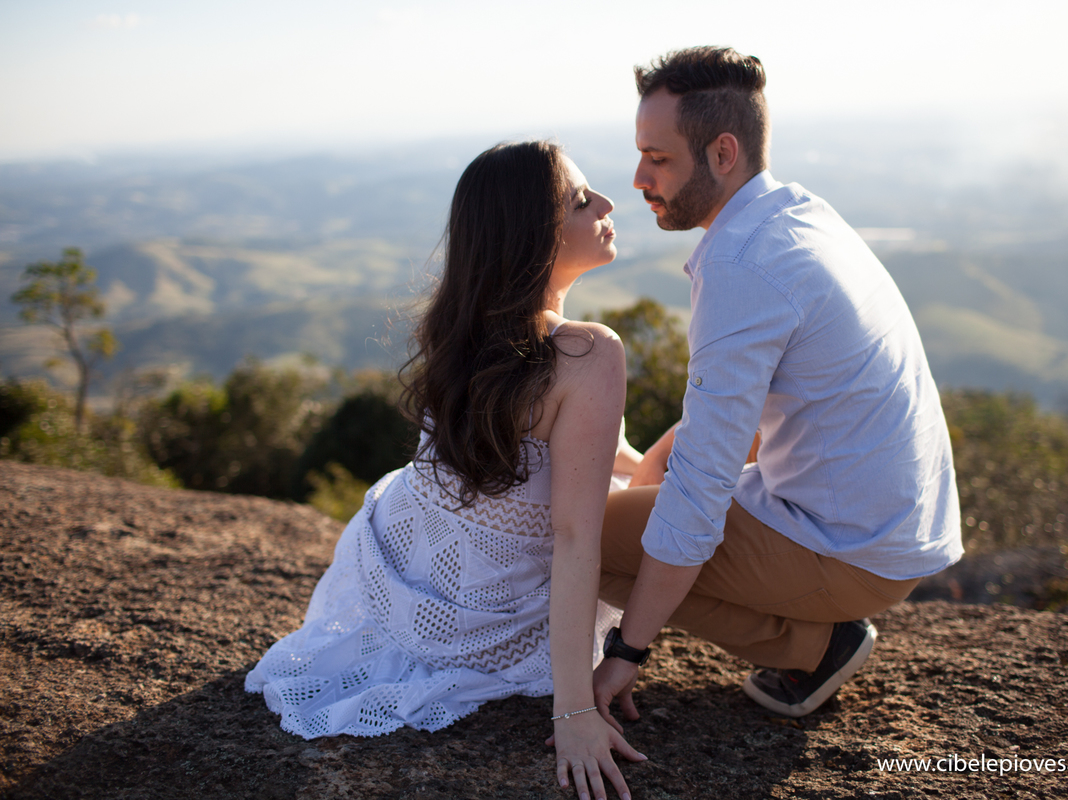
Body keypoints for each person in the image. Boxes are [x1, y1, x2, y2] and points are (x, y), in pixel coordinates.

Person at [246, 140, 646, 800]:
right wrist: (573, 711)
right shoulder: (586, 353)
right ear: (531, 234)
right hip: (492, 619)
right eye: (580, 200)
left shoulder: (463, 328)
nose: (607, 203)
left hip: (407, 574)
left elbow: (606, 462)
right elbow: (576, 538)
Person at [591, 47, 963, 731]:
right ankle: (815, 630)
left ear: (722, 152)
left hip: (849, 548)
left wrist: (628, 650)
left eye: (659, 157)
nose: (640, 177)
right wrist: (667, 460)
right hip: (889, 524)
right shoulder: (797, 214)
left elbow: (700, 494)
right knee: (658, 488)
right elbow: (749, 414)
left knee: (575, 542)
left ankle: (815, 646)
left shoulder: (741, 264)